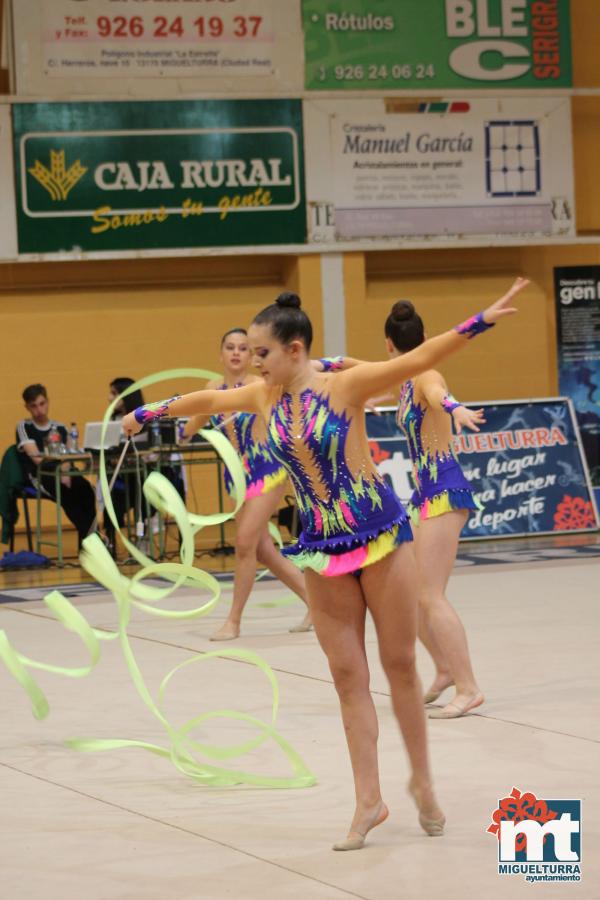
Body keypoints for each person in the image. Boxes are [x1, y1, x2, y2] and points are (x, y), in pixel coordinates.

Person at [122, 279, 528, 850]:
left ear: (294, 350)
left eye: (261, 353)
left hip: (380, 537)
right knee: (346, 677)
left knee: (400, 667)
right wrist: (148, 410)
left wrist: (481, 319)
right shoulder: (262, 398)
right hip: (321, 545)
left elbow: (423, 358)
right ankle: (370, 800)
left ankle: (423, 784)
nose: (252, 363)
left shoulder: (345, 386)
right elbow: (208, 400)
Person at [385, 301, 487, 719]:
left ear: (390, 344)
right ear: (423, 339)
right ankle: (444, 669)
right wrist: (328, 368)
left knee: (430, 595)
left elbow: (439, 395)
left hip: (445, 491)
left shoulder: (425, 374)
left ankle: (469, 687)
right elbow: (361, 367)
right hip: (426, 496)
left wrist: (455, 409)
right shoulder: (404, 376)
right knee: (409, 595)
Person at [183, 328, 311, 640]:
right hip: (236, 478)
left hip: (266, 468)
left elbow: (296, 401)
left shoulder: (260, 384)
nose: (237, 353)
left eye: (243, 348)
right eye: (231, 347)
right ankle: (317, 603)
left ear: (252, 355)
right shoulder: (213, 387)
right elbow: (194, 421)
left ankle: (233, 622)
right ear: (221, 354)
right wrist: (183, 426)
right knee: (263, 550)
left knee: (243, 543)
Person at [16, 383, 96, 549]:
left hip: (64, 472)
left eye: (42, 403)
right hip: (40, 476)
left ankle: (87, 544)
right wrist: (61, 472)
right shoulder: (24, 427)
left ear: (48, 401)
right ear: (27, 407)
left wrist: (65, 471)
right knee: (67, 497)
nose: (39, 409)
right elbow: (37, 459)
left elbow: (69, 455)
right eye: (34, 406)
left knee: (86, 490)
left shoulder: (60, 427)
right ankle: (92, 540)